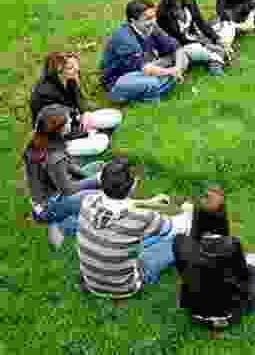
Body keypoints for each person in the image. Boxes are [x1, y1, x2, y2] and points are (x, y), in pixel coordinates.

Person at [173, 185, 255, 328]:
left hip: (195, 314)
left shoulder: (179, 242)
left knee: (252, 264)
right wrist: (252, 268)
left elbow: (183, 276)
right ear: (221, 218)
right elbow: (244, 281)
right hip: (229, 313)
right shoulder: (231, 245)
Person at [77, 157, 189, 297]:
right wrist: (188, 210)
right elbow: (178, 227)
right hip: (124, 287)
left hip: (91, 280)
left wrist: (148, 203)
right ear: (133, 185)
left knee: (130, 238)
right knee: (177, 239)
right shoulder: (142, 217)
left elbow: (118, 204)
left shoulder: (88, 201)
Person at [23, 104, 104, 249]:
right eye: (67, 122)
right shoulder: (54, 157)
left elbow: (70, 168)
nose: (70, 123)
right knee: (97, 197)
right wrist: (95, 180)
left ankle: (68, 215)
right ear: (58, 129)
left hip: (54, 191)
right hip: (48, 206)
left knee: (99, 166)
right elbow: (68, 189)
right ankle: (62, 225)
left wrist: (91, 176)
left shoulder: (42, 142)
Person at [101, 0, 194, 102]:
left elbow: (176, 47)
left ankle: (153, 90)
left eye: (154, 17)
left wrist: (176, 68)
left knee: (182, 56)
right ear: (133, 21)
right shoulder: (124, 38)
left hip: (146, 67)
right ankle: (153, 90)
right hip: (121, 79)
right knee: (152, 82)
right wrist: (172, 72)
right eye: (147, 19)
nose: (153, 21)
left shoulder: (152, 27)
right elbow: (145, 68)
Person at [31, 52, 122, 157]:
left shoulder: (68, 79)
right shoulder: (45, 94)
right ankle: (96, 135)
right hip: (58, 139)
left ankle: (97, 133)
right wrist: (86, 131)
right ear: (59, 71)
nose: (76, 69)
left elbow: (78, 100)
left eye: (76, 65)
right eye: (70, 67)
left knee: (116, 116)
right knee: (99, 144)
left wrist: (85, 113)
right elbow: (57, 130)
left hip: (74, 120)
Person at [157, 0, 235, 75]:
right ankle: (215, 62)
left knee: (228, 26)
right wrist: (205, 44)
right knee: (201, 49)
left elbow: (200, 22)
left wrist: (217, 39)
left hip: (195, 37)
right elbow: (179, 39)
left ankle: (216, 56)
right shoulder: (163, 13)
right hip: (181, 47)